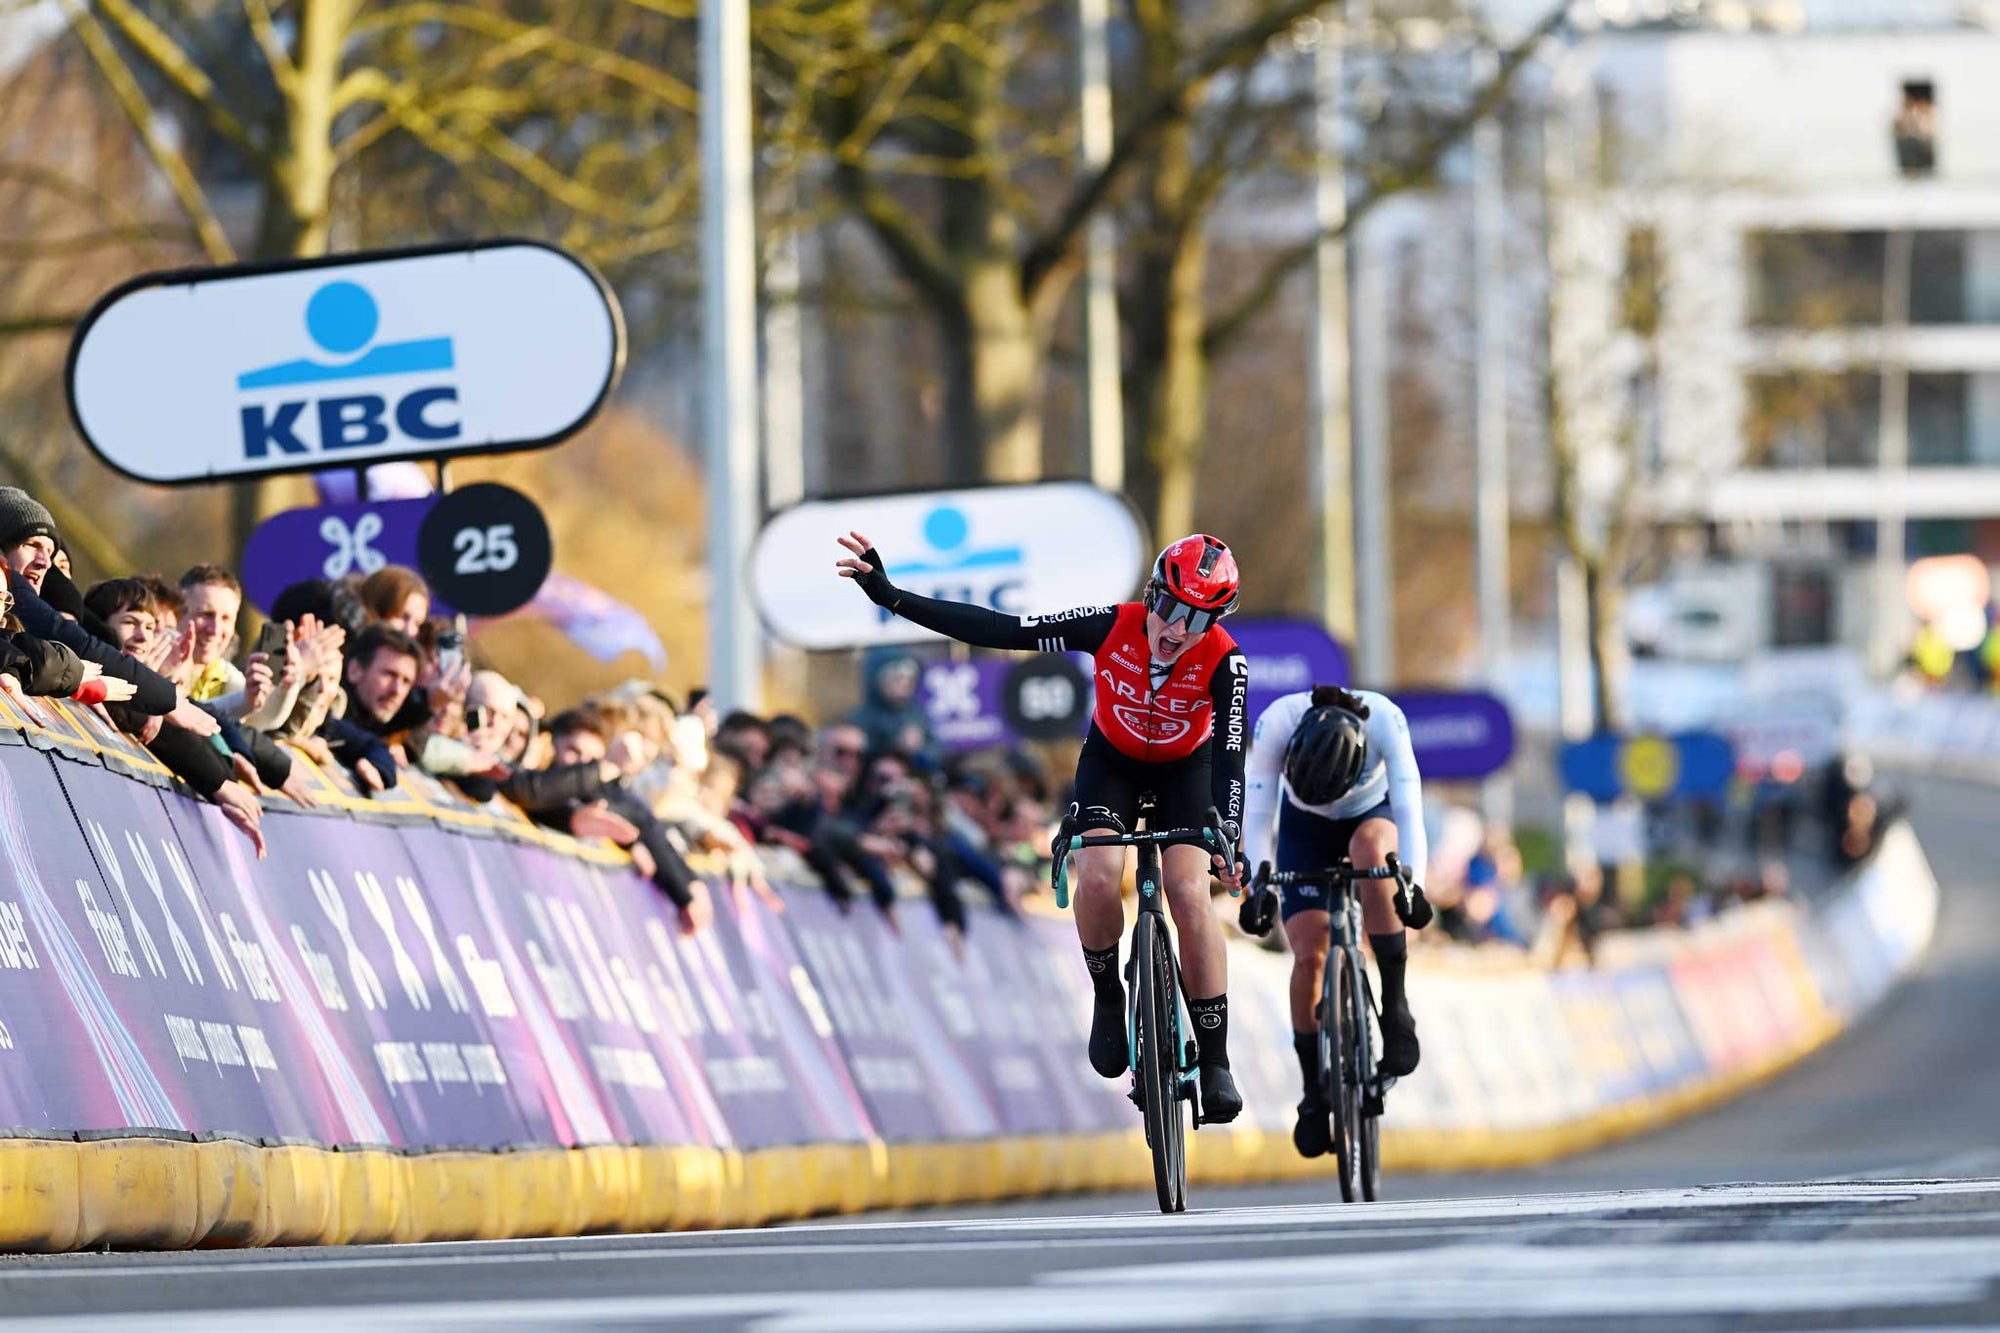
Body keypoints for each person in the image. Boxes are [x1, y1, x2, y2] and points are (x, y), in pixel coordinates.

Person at [838, 529, 1251, 1121]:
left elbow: (1231, 753)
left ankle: (1215, 1059)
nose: (1176, 628)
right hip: (1113, 763)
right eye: (1168, 606)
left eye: (1197, 617)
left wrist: (1227, 835)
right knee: (1102, 875)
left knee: (1189, 893)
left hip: (1189, 770)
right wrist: (893, 597)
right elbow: (1004, 631)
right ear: (1151, 593)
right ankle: (1110, 999)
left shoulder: (1227, 661)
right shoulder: (1111, 624)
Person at [1237, 684, 1429, 1159]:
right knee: (1308, 955)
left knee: (1373, 854)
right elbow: (1257, 818)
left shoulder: (1385, 720)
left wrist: (1414, 885)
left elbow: (1410, 811)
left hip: (1371, 811)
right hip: (1303, 827)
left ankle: (1395, 1002)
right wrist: (1257, 887)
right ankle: (1313, 1093)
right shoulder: (1277, 724)